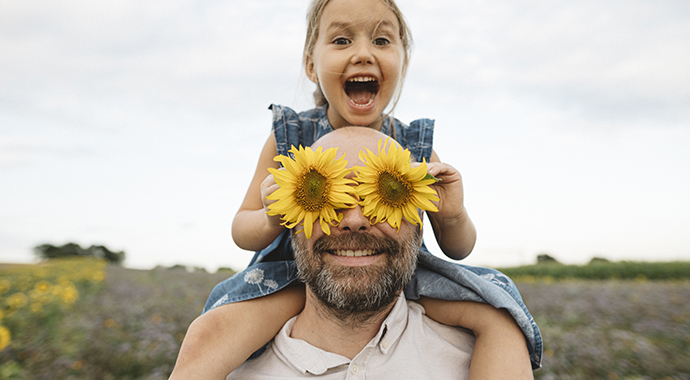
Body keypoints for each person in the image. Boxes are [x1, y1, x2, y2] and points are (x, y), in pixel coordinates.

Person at [169, 0, 542, 378]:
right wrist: (272, 215)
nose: (363, 53)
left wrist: (453, 215)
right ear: (311, 65)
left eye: (381, 40)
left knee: (497, 308)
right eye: (343, 39)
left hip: (403, 274)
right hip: (288, 275)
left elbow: (457, 248)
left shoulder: (414, 146)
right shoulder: (289, 138)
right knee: (213, 330)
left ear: (403, 63)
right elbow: (241, 230)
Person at [227, 127, 535, 379]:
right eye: (330, 198)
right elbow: (244, 228)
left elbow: (458, 244)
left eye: (383, 199)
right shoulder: (227, 364)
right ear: (288, 222)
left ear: (422, 224)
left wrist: (499, 322)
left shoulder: (484, 356)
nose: (355, 220)